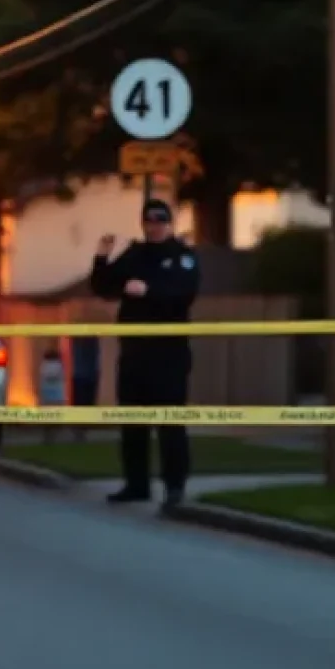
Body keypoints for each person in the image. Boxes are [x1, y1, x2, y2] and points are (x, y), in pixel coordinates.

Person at [90, 199, 200, 507]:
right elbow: (103, 286)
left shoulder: (182, 257)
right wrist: (101, 257)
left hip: (169, 355)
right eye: (149, 222)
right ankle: (136, 483)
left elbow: (183, 296)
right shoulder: (135, 254)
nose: (154, 227)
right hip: (135, 352)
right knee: (133, 421)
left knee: (170, 423)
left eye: (160, 222)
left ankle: (175, 486)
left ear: (169, 223)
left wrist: (148, 291)